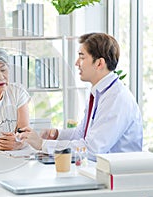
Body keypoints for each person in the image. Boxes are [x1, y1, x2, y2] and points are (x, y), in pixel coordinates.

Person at [19, 33, 143, 161]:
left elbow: (91, 149)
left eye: (82, 57)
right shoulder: (99, 92)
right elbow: (81, 134)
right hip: (98, 170)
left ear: (99, 63)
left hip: (116, 177)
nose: (77, 63)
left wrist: (42, 144)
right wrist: (56, 134)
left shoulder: (116, 98)